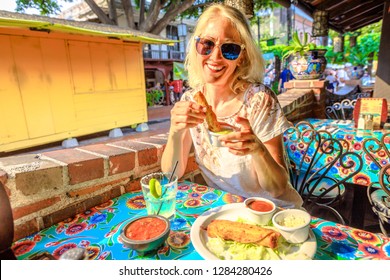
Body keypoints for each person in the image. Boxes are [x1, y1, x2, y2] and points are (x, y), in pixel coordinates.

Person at [161, 4, 302, 208]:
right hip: (225, 210)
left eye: (229, 49)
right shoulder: (190, 101)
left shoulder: (259, 100)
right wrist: (175, 131)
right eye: (207, 44)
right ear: (195, 46)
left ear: (242, 56)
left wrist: (257, 150)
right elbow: (171, 174)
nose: (215, 57)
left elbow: (278, 188)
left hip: (273, 212)